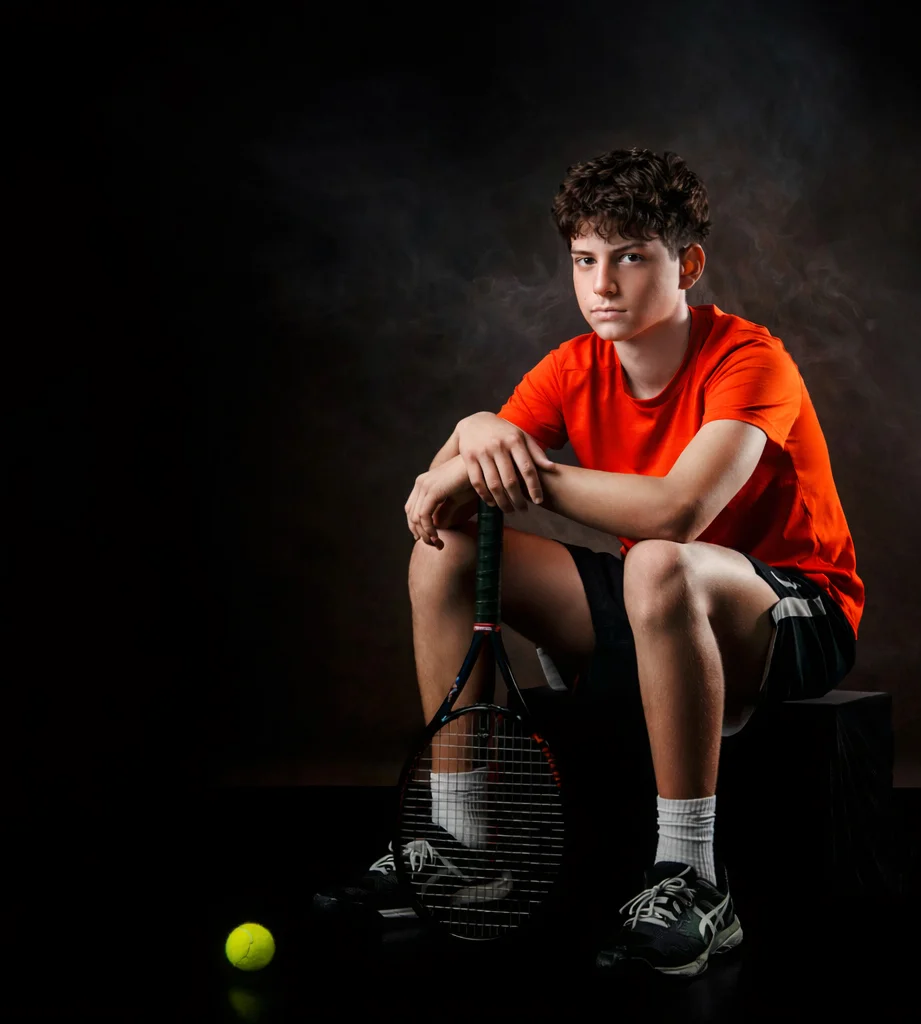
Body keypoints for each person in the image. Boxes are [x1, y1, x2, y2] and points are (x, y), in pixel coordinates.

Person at [316, 147, 863, 976]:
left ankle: (695, 879)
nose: (602, 283)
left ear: (688, 265)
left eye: (631, 257)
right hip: (662, 600)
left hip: (791, 610)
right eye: (584, 259)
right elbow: (435, 505)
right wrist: (475, 428)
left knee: (661, 562)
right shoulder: (571, 368)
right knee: (448, 559)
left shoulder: (753, 361)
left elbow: (681, 512)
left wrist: (507, 461)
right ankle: (466, 852)